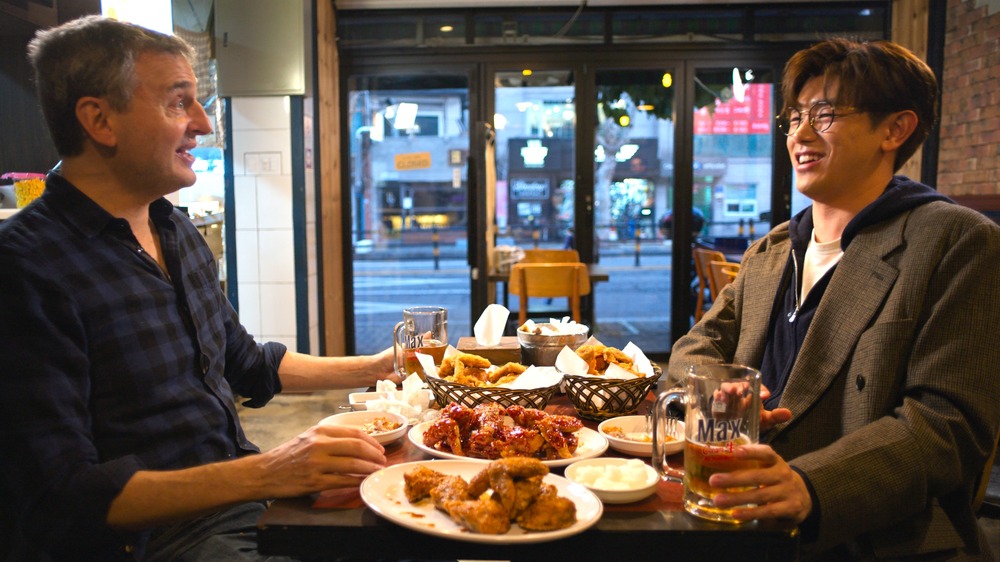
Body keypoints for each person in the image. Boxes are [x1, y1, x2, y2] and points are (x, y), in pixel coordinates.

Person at [0, 16, 400, 560]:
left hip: (237, 502)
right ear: (99, 120)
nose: (205, 124)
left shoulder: (173, 226)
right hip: (150, 540)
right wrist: (270, 470)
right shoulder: (27, 265)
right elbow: (63, 496)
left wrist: (380, 368)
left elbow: (244, 361)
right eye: (177, 102)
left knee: (404, 518)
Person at [667, 37, 1000, 560]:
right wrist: (715, 389)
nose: (799, 132)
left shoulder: (955, 242)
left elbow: (948, 426)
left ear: (896, 129)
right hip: (742, 518)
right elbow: (697, 345)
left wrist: (812, 485)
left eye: (825, 114)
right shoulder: (772, 249)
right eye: (794, 116)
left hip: (875, 537)